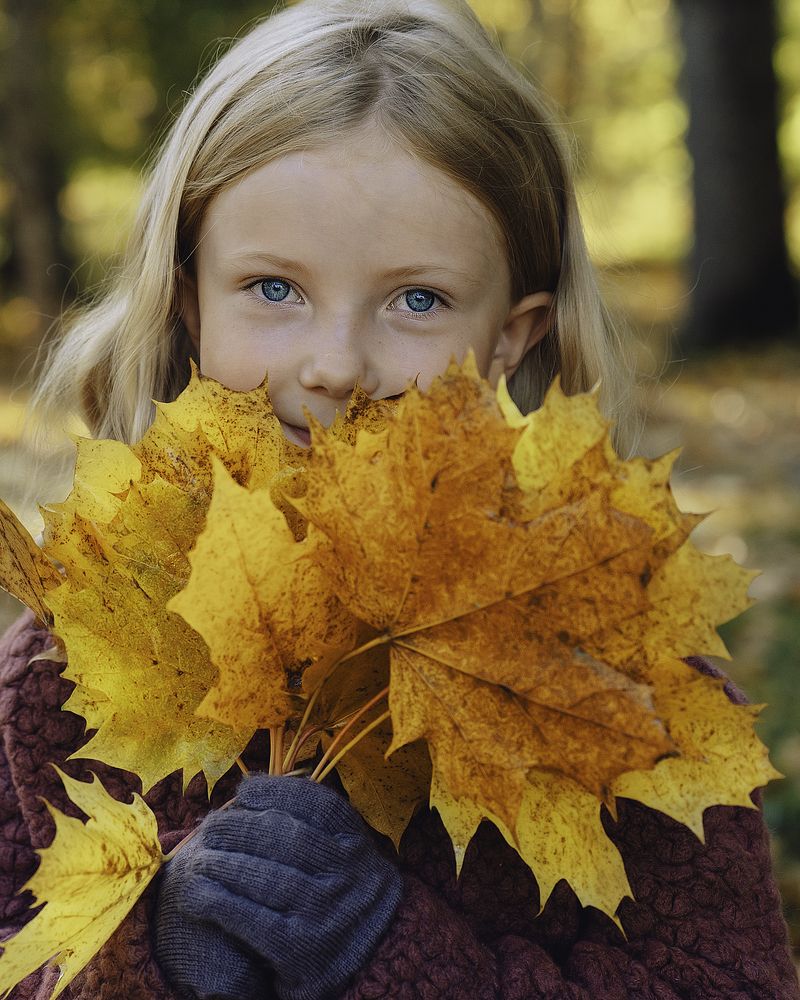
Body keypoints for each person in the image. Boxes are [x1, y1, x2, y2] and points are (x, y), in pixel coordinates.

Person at [1, 0, 797, 997]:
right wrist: (147, 959)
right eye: (273, 288)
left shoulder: (613, 677)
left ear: (509, 338)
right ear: (189, 300)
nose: (335, 365)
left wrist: (385, 948)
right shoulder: (66, 657)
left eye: (415, 300)